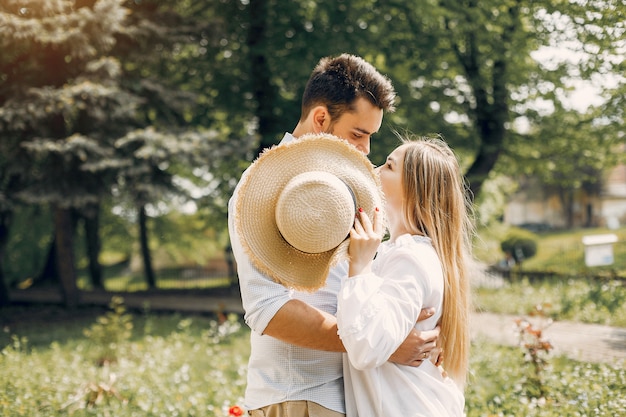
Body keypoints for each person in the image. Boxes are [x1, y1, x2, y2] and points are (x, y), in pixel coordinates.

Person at [228, 54, 440, 417]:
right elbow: (269, 309)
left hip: (353, 395)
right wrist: (382, 345)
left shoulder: (346, 189)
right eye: (358, 134)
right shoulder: (259, 193)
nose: (367, 150)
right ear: (321, 118)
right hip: (301, 396)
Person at [336, 136, 474, 416]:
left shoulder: (409, 258)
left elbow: (365, 348)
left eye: (388, 166)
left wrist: (359, 267)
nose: (374, 170)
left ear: (414, 189)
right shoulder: (403, 253)